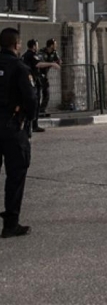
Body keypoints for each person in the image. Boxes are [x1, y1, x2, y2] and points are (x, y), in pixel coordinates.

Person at [0, 27, 38, 238]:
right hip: (12, 127)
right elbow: (31, 100)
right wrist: (28, 118)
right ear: (16, 45)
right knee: (15, 175)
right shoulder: (20, 68)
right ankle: (10, 224)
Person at [21, 40, 50, 133]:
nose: (37, 47)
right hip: (33, 82)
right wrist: (52, 64)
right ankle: (33, 125)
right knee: (35, 104)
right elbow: (38, 64)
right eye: (36, 45)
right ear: (33, 46)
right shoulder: (31, 55)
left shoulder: (25, 55)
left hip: (29, 82)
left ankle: (30, 125)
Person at [38, 38, 61, 117]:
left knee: (46, 94)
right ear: (51, 45)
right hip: (37, 75)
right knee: (37, 94)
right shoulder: (41, 52)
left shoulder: (54, 52)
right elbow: (40, 64)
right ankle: (37, 111)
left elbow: (59, 61)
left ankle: (42, 110)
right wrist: (51, 64)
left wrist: (57, 62)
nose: (56, 46)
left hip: (45, 76)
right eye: (55, 44)